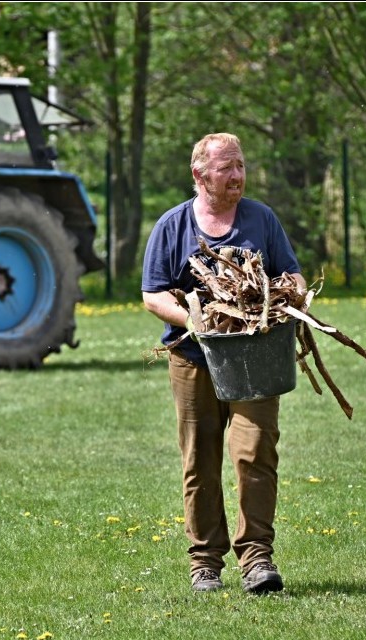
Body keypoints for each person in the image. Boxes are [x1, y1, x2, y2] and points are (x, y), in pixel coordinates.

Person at [140, 132, 306, 594]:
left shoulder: (262, 219)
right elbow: (153, 295)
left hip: (256, 359)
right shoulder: (172, 227)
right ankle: (205, 563)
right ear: (199, 175)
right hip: (194, 358)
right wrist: (198, 319)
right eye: (226, 168)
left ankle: (256, 558)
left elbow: (291, 274)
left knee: (256, 454)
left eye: (240, 166)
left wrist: (281, 298)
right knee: (200, 459)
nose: (237, 176)